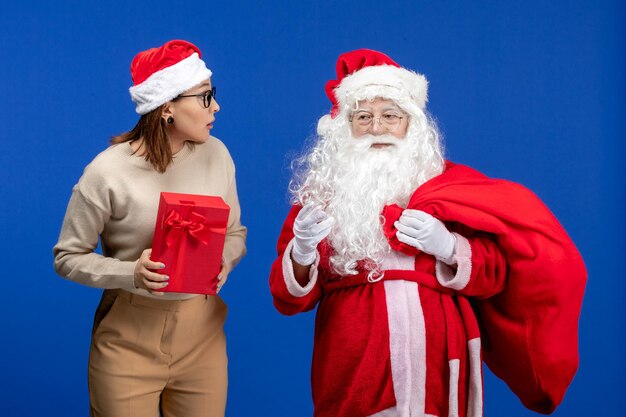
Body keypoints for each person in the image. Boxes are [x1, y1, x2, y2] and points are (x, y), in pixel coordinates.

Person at [269, 49, 586, 417]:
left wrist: (449, 246)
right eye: (363, 117)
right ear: (346, 126)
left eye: (390, 116)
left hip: (438, 358)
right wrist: (302, 250)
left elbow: (494, 276)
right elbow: (288, 299)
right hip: (354, 359)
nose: (377, 128)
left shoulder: (451, 187)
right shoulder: (321, 195)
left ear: (412, 124)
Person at [53, 40, 247, 417]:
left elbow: (236, 233)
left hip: (202, 333)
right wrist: (131, 273)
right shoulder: (107, 171)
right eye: (205, 97)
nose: (216, 107)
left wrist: (223, 259)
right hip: (129, 336)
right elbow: (67, 257)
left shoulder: (217, 154)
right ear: (167, 106)